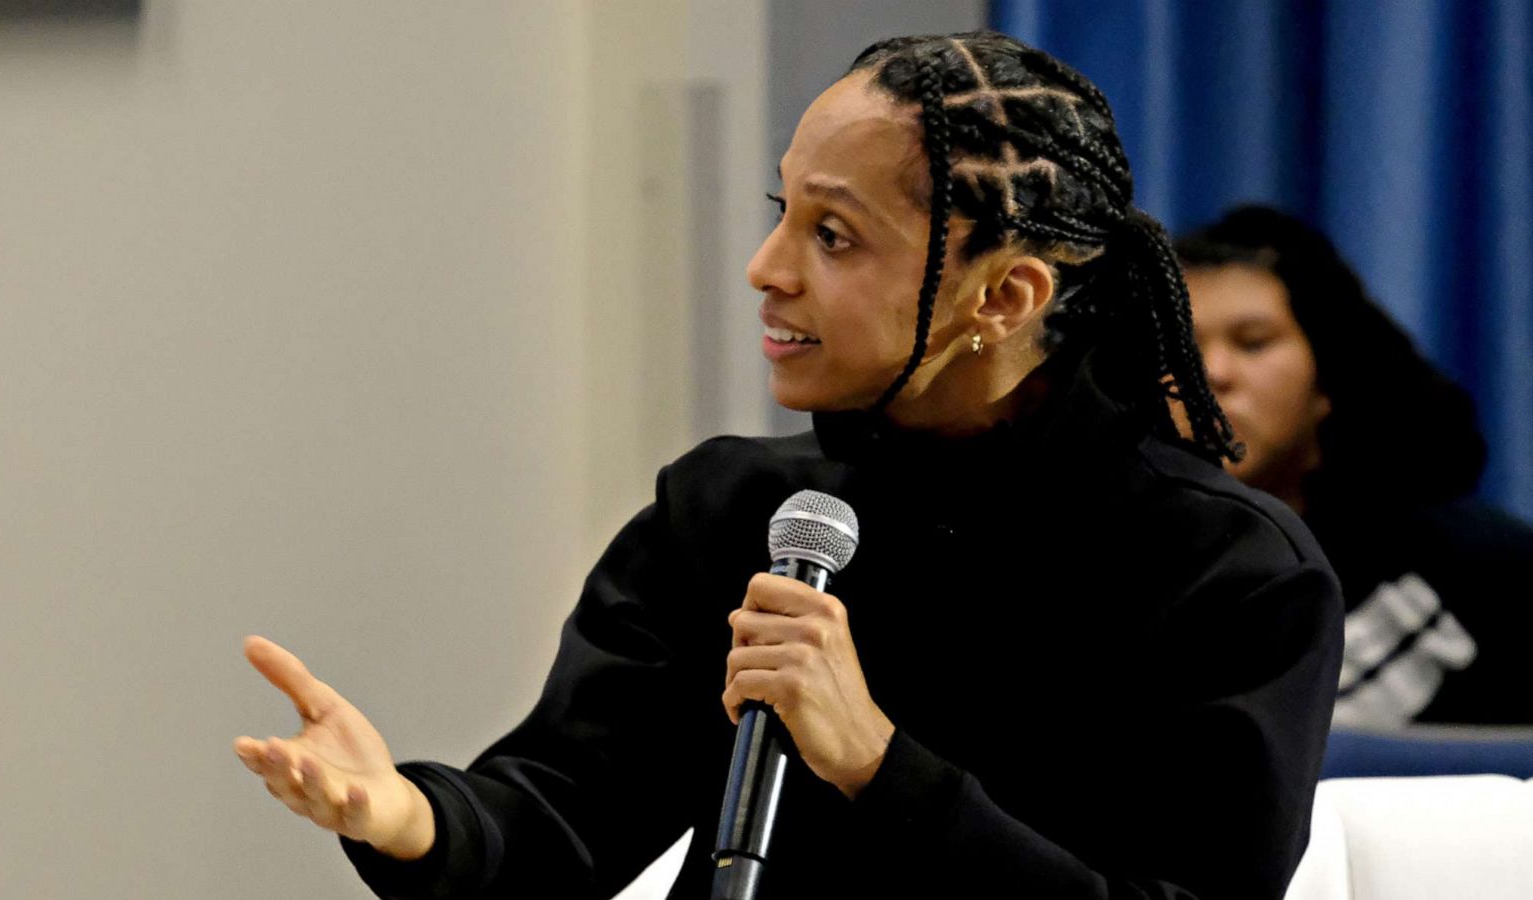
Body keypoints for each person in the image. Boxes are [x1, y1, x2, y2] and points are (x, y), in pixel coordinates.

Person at [235, 34, 1343, 899]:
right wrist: (404, 816)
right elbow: (561, 819)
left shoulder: (1229, 574)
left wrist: (877, 764)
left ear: (1001, 298)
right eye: (783, 212)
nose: (767, 269)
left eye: (835, 236)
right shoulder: (736, 514)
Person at [1175, 204, 1533, 729]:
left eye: (1253, 343)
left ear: (1328, 371)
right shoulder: (1118, 578)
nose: (1212, 373)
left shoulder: (1478, 564)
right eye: (1181, 349)